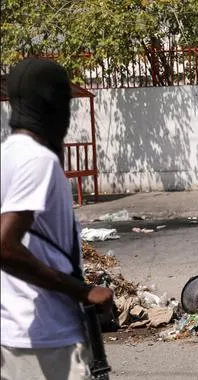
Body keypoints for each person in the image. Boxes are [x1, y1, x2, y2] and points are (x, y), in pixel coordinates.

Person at [0, 58, 114, 380]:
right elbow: (4, 248)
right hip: (48, 339)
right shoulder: (39, 161)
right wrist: (83, 291)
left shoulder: (6, 155)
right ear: (53, 104)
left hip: (15, 332)